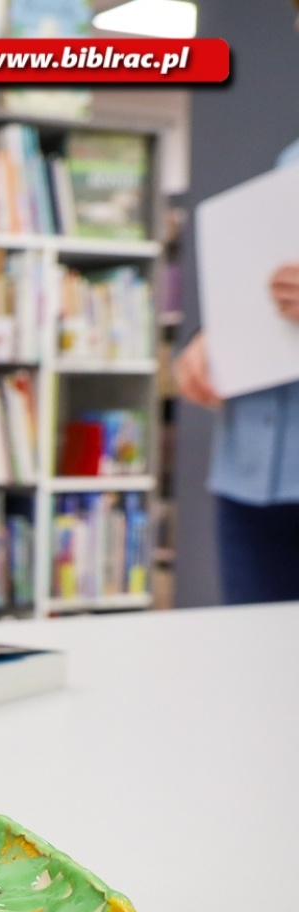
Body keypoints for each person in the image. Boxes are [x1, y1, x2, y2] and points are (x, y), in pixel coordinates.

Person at [174, 140, 299, 604]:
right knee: (254, 652)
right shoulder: (290, 158)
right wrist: (213, 344)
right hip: (249, 471)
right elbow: (259, 284)